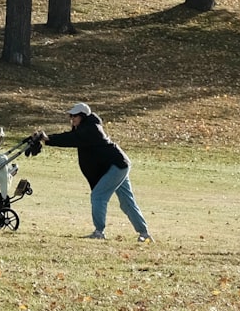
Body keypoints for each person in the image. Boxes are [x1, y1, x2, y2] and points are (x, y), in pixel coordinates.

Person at [34, 102, 152, 242]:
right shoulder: (84, 128)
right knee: (126, 201)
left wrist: (48, 139)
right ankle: (144, 233)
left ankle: (99, 232)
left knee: (98, 196)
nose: (72, 119)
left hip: (116, 166)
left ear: (83, 116)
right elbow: (71, 136)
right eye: (70, 116)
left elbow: (71, 139)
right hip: (117, 165)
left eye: (75, 116)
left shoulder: (92, 130)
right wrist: (46, 139)